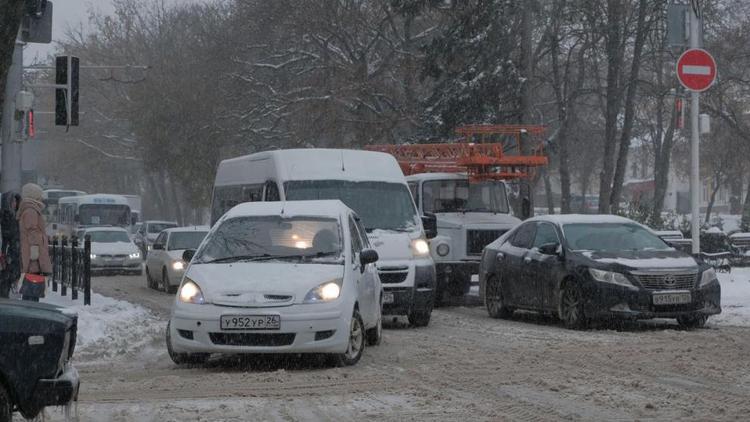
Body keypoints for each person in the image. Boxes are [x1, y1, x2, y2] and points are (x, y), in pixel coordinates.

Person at [17, 184, 51, 302]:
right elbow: (32, 233)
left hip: (31, 253)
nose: (41, 197)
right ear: (34, 195)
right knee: (33, 285)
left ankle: (29, 306)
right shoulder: (31, 210)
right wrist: (36, 254)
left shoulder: (29, 209)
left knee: (30, 286)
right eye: (39, 195)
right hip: (33, 256)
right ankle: (31, 310)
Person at [0, 192, 20, 298]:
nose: (15, 203)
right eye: (13, 201)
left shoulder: (12, 216)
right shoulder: (7, 218)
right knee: (4, 288)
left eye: (16, 201)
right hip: (6, 259)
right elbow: (8, 238)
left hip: (8, 258)